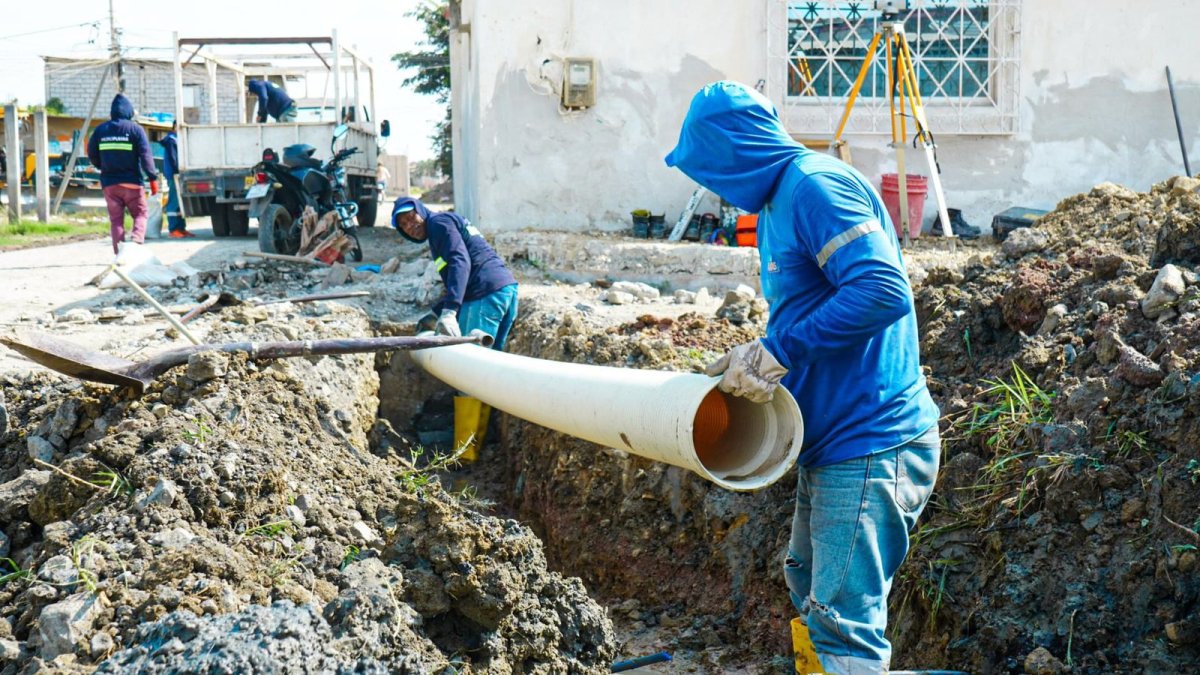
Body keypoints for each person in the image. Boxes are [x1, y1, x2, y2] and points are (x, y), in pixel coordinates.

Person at [665, 81, 941, 674]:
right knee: (808, 583)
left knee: (842, 623)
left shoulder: (816, 187)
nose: (714, 187)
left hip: (871, 438)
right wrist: (755, 357)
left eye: (711, 169)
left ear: (737, 151)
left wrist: (778, 352)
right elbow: (810, 307)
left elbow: (881, 290)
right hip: (831, 439)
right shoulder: (777, 202)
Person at [392, 196, 519, 460]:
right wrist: (437, 312)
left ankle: (465, 455)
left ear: (421, 210)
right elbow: (457, 274)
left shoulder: (438, 224)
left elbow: (460, 262)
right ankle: (483, 443)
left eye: (410, 217)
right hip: (503, 289)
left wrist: (450, 310)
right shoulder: (443, 225)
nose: (409, 225)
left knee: (469, 373)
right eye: (402, 224)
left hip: (483, 294)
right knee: (488, 371)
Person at [87, 93, 158, 255]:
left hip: (110, 184)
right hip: (132, 183)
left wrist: (103, 166)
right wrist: (152, 178)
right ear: (129, 111)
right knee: (140, 214)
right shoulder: (135, 129)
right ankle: (135, 246)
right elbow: (146, 156)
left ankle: (120, 256)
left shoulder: (100, 130)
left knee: (116, 221)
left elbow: (91, 153)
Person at [160, 121, 193, 238]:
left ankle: (181, 228)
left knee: (179, 202)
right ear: (175, 127)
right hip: (174, 174)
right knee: (174, 201)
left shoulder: (176, 139)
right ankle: (173, 229)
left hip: (177, 174)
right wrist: (178, 172)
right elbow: (174, 159)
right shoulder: (171, 140)